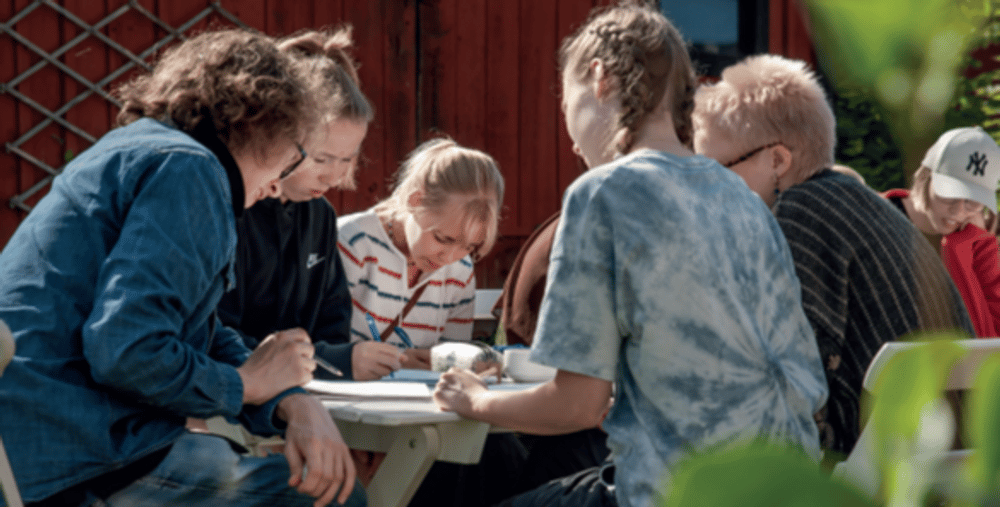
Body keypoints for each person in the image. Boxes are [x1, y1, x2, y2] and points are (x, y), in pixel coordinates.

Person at [433, 6, 829, 507]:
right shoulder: (745, 200)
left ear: (599, 78)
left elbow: (577, 406)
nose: (571, 134)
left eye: (566, 100)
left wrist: (477, 400)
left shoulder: (603, 193)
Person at [0, 29, 363, 507]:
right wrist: (246, 385)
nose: (278, 185)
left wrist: (289, 400)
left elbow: (195, 330)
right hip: (73, 459)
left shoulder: (142, 148)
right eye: (296, 155)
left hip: (41, 444)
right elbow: (126, 349)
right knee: (333, 498)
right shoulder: (191, 171)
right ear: (262, 127)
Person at [691, 54, 975, 459]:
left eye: (715, 171)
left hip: (874, 469)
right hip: (942, 459)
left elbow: (792, 383)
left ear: (777, 161)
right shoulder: (854, 202)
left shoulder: (802, 211)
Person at [216, 27, 405, 382]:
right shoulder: (229, 209)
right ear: (279, 138)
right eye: (321, 159)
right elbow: (214, 333)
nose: (333, 176)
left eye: (347, 160)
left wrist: (337, 357)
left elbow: (331, 325)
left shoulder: (320, 216)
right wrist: (336, 361)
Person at [336, 137, 504, 368]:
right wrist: (401, 362)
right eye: (443, 239)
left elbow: (451, 357)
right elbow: (322, 349)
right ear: (416, 201)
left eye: (469, 246)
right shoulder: (351, 242)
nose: (450, 257)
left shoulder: (461, 268)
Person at [882, 126, 1000, 338]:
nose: (958, 211)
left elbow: (989, 344)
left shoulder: (978, 240)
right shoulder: (877, 219)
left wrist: (959, 250)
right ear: (925, 178)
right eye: (949, 194)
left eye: (973, 202)